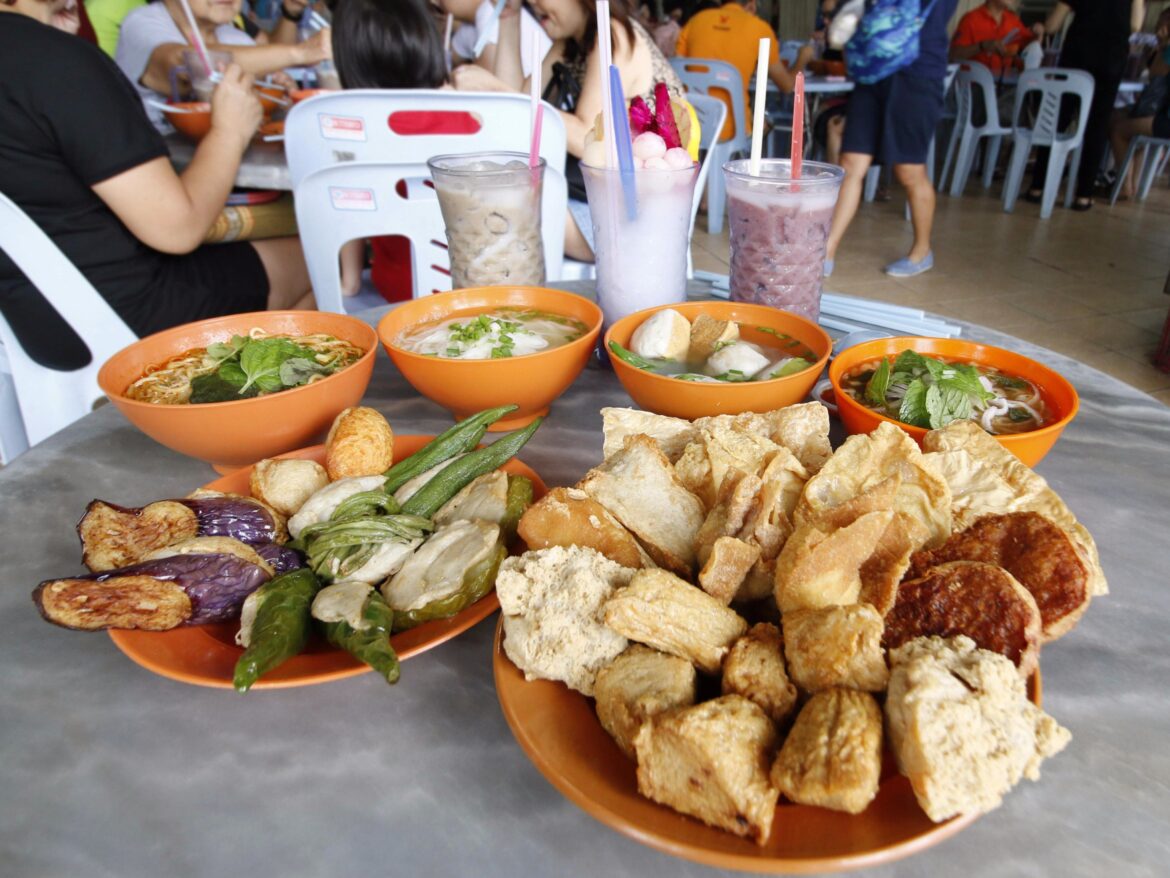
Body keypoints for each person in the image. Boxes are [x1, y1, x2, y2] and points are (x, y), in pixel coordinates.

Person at [0, 0, 314, 371]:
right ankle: (239, 407)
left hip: (28, 318)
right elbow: (177, 229)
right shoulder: (56, 62)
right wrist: (230, 131)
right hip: (123, 316)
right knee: (318, 255)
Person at [453, 0, 683, 261]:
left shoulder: (611, 34)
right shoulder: (571, 42)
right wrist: (509, 19)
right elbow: (519, 106)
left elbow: (588, 136)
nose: (533, 3)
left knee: (491, 202)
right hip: (590, 198)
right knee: (487, 196)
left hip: (631, 222)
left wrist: (494, 89)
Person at [824, 0, 960, 278]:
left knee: (909, 170)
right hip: (872, 72)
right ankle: (826, 251)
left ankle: (922, 251)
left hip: (917, 75)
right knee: (850, 163)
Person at [329, 0, 447, 300]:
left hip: (396, 293)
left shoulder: (350, 130)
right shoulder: (468, 117)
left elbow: (346, 210)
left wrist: (350, 282)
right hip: (470, 290)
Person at [115, 0, 331, 130]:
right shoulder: (142, 22)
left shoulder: (237, 38)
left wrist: (278, 93)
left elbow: (261, 104)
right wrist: (300, 52)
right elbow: (183, 64)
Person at [1025, 0, 1146, 211]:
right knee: (1097, 126)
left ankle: (1038, 187)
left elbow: (1053, 24)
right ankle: (1083, 195)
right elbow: (1135, 25)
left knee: (1058, 118)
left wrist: (1041, 28)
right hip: (1111, 57)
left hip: (1077, 54)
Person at [675, 0, 799, 141]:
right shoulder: (759, 28)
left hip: (688, 127)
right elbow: (787, 86)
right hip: (734, 132)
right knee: (764, 122)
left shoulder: (696, 21)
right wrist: (803, 58)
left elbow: (676, 70)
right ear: (752, 5)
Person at [1107, 8, 1170, 199]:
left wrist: (1163, 47)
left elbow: (1155, 75)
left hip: (1165, 121)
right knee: (1130, 120)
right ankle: (1131, 185)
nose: (1158, 29)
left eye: (1162, 25)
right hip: (1159, 114)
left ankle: (1125, 185)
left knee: (1118, 129)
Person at [950, 0, 1041, 79]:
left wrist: (1039, 33)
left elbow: (1032, 48)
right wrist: (982, 46)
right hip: (974, 86)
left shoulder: (1013, 20)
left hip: (1004, 87)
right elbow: (953, 55)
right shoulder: (970, 19)